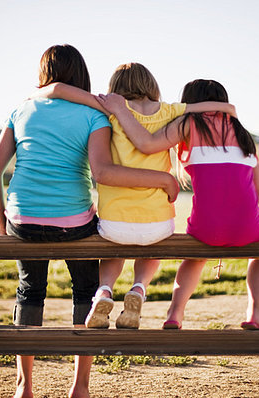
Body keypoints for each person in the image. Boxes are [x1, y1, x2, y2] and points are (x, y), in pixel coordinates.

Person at [0, 45, 179, 398]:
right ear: (82, 74)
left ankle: (23, 388)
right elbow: (103, 171)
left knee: (29, 292)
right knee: (86, 291)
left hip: (22, 221)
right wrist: (162, 179)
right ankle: (81, 387)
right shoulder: (95, 115)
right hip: (74, 222)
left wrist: (2, 223)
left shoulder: (21, 108)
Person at [32, 64, 236, 330]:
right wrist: (228, 109)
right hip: (157, 223)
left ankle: (105, 290)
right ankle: (139, 288)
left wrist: (37, 95)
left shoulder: (110, 108)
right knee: (152, 245)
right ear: (151, 85)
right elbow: (206, 108)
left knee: (114, 245)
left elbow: (58, 89)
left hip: (114, 222)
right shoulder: (169, 110)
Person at [97, 79, 259, 330]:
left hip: (206, 227)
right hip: (247, 225)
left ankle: (175, 313)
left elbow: (146, 145)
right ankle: (255, 313)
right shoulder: (243, 133)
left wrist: (121, 111)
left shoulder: (189, 123)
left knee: (194, 257)